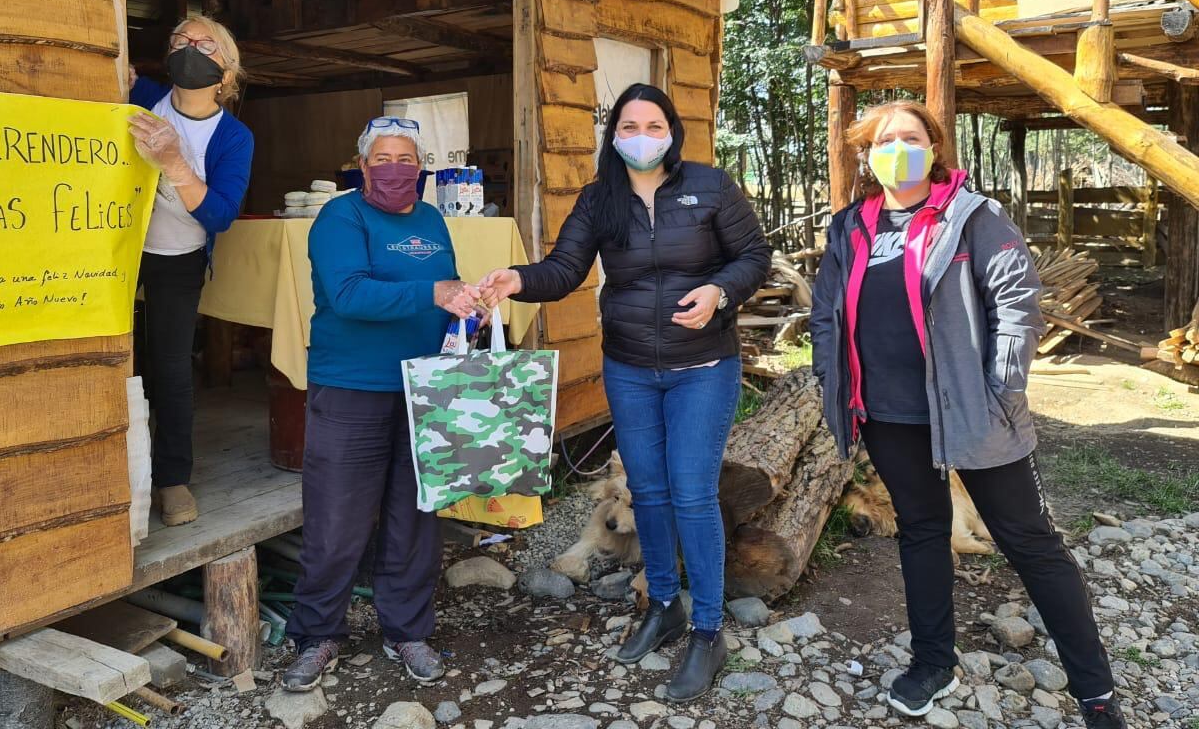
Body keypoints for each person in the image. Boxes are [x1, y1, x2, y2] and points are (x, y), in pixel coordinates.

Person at [808, 100, 1125, 729]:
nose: (897, 148)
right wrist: (831, 378)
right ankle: (933, 663)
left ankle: (1097, 695)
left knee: (1029, 541)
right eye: (884, 140)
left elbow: (1018, 299)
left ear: (935, 148)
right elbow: (826, 312)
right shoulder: (850, 227)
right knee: (923, 530)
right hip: (889, 413)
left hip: (973, 411)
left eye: (911, 137)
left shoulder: (973, 218)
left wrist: (1002, 391)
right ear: (867, 155)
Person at [479, 84, 770, 701]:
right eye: (630, 125)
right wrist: (515, 279)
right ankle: (663, 604)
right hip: (631, 368)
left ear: (672, 131)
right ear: (614, 134)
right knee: (653, 492)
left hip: (703, 366)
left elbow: (753, 254)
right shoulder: (599, 198)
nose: (642, 135)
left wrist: (720, 291)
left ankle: (708, 630)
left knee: (692, 493)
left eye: (654, 123)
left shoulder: (711, 187)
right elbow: (563, 270)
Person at [282, 117, 482, 691]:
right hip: (352, 386)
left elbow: (443, 283)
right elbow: (347, 295)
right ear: (362, 165)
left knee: (416, 517)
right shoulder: (340, 217)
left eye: (407, 159)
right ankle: (318, 636)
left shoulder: (431, 218)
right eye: (383, 158)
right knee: (336, 521)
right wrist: (433, 292)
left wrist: (466, 302)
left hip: (423, 384)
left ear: (421, 169)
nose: (396, 169)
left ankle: (408, 631)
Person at [129, 15, 254, 528]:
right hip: (117, 249)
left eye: (205, 43)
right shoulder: (145, 99)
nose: (189, 46)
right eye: (181, 38)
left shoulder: (233, 137)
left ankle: (171, 479)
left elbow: (221, 214)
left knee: (172, 366)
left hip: (177, 256)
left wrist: (176, 165)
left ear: (225, 72)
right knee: (122, 357)